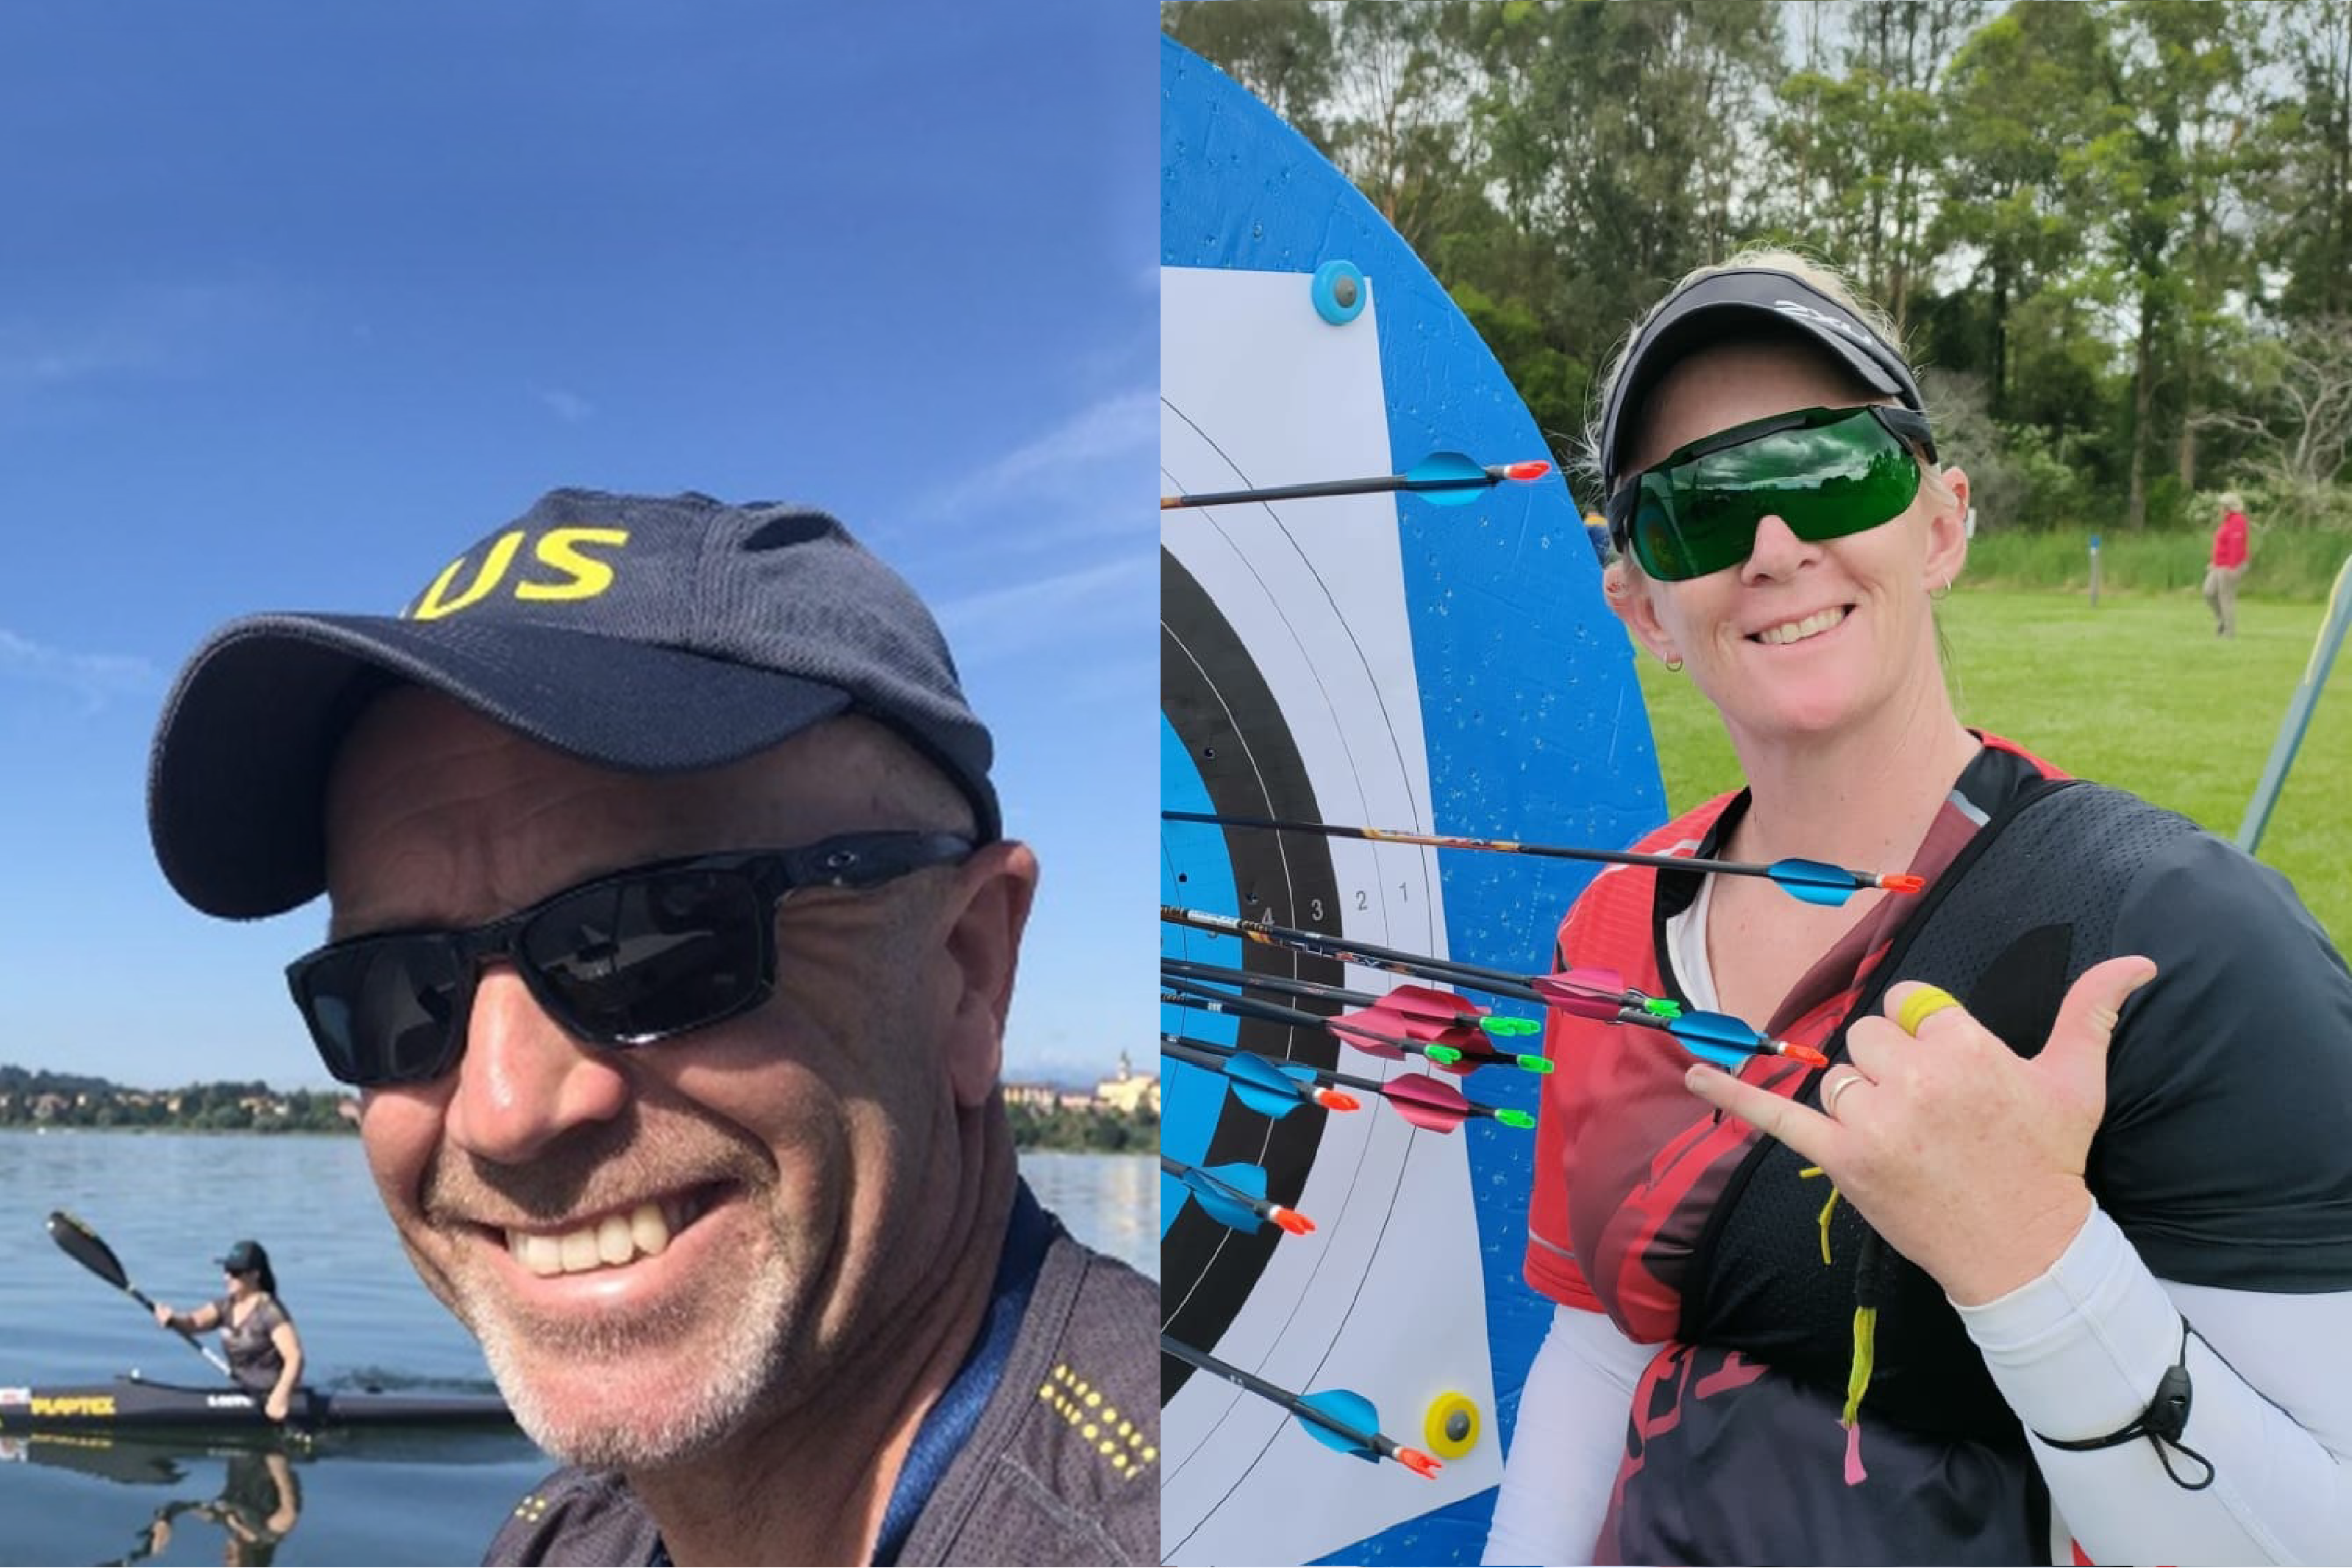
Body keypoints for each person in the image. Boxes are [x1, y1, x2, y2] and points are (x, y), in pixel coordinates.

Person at [1481, 253, 2352, 1565]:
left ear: (1940, 523)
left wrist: (2034, 1260)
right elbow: (1603, 1350)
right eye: (1699, 510)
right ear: (1641, 604)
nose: (1773, 547)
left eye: (1828, 470)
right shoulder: (1609, 925)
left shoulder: (2180, 939)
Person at [144, 489, 1158, 1567]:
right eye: (396, 991)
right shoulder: (561, 1540)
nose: (503, 1111)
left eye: (643, 941)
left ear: (968, 970)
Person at [151, 1241, 304, 1424]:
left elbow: (295, 1357)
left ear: (255, 1275)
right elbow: (194, 1322)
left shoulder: (271, 1312)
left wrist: (280, 1396)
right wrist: (173, 1319)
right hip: (241, 1392)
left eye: (235, 1273)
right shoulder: (225, 1307)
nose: (227, 1277)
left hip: (273, 1394)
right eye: (226, 1271)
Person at [2204, 490, 2251, 636]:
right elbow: (2221, 544)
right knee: (2209, 592)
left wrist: (2232, 568)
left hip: (2230, 566)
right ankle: (2222, 621)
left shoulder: (2238, 521)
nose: (2219, 508)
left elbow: (2235, 547)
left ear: (2228, 507)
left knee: (2226, 598)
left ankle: (2229, 632)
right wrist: (2214, 562)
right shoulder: (2226, 521)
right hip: (2219, 565)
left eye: (2221, 505)